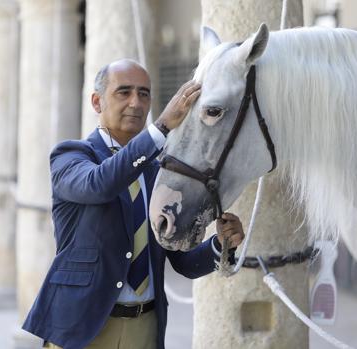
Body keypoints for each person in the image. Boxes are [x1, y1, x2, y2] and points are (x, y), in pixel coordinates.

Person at [22, 58, 245, 349]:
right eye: (123, 92)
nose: (136, 102)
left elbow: (181, 260)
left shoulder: (158, 171)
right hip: (82, 328)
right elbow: (100, 184)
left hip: (145, 328)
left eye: (144, 93)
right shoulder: (70, 156)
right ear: (97, 102)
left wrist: (221, 245)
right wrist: (161, 127)